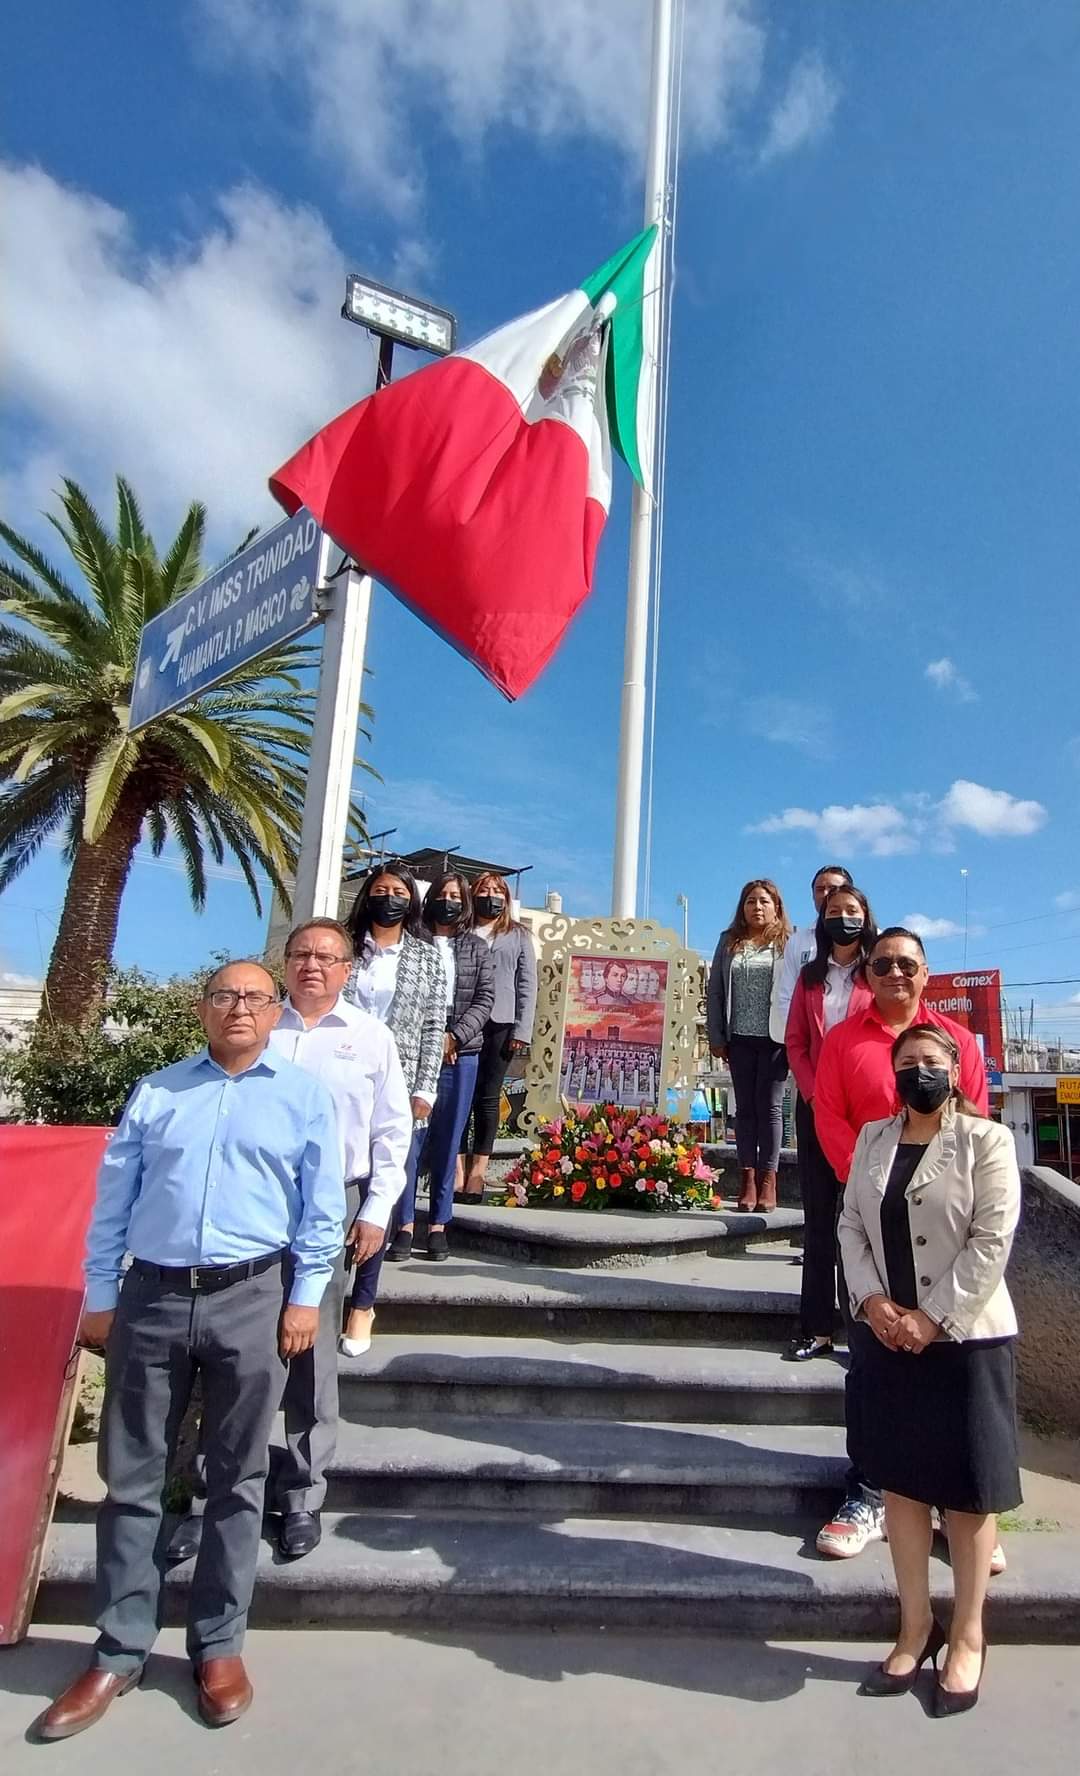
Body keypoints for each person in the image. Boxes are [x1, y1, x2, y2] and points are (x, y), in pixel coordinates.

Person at [36, 962, 344, 1741]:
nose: (237, 1009)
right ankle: (117, 1648)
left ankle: (217, 1646)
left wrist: (306, 1299)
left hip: (255, 1297)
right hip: (153, 1296)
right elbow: (115, 1197)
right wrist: (101, 1296)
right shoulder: (158, 1090)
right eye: (223, 996)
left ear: (276, 1013)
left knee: (239, 1479)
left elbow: (320, 1208)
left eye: (254, 998)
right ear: (202, 1009)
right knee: (133, 1476)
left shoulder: (304, 1096)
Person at [838, 1023, 1021, 1712]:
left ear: (955, 1070)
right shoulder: (872, 1140)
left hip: (965, 1340)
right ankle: (917, 1625)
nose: (920, 1071)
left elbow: (992, 1237)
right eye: (908, 1062)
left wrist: (933, 1317)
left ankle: (969, 1635)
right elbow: (850, 1226)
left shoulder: (987, 1141)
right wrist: (873, 1301)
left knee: (970, 1495)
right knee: (905, 1490)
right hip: (888, 1337)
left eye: (932, 1062)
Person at [811, 926, 990, 1562]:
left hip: (943, 1224)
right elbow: (828, 1113)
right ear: (869, 973)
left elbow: (975, 1122)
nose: (894, 974)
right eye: (882, 964)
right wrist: (863, 1179)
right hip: (870, 1216)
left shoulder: (958, 1041)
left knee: (945, 1368)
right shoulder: (842, 1040)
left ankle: (955, 1505)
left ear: (924, 970)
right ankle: (869, 1491)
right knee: (873, 1364)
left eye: (906, 964)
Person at [783, 883, 877, 1363]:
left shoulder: (880, 970)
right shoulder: (810, 977)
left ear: (866, 915)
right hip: (817, 1106)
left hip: (868, 1112)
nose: (843, 916)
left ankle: (867, 1329)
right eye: (834, 910)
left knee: (867, 1221)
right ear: (822, 918)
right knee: (820, 1219)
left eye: (852, 909)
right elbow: (796, 1040)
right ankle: (816, 1327)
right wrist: (810, 1088)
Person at [343, 860, 446, 1276]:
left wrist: (426, 1088)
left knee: (383, 1186)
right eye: (382, 891)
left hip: (399, 1085)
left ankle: (364, 1299)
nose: (390, 900)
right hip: (344, 1077)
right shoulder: (346, 948)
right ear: (368, 895)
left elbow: (434, 1025)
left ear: (412, 901)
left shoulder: (426, 957)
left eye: (400, 894)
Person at [393, 871, 494, 1258]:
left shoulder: (475, 947)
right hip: (415, 1052)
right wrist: (432, 1041)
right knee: (409, 1137)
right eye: (443, 894)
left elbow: (485, 998)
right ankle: (403, 1222)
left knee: (451, 1136)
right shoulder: (411, 943)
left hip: (461, 1052)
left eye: (456, 895)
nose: (449, 901)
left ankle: (438, 1222)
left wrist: (454, 1037)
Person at [707, 879, 793, 1212]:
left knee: (770, 1109)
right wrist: (717, 1037)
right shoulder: (729, 942)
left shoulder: (788, 943)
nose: (757, 907)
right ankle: (747, 1182)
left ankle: (769, 1181)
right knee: (744, 1111)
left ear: (777, 907)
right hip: (738, 1038)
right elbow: (715, 990)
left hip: (775, 1039)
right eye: (750, 902)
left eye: (764, 901)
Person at [457, 871, 537, 1203]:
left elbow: (527, 984)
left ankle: (477, 1174)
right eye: (484, 890)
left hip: (501, 1022)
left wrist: (522, 1029)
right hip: (463, 1020)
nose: (491, 895)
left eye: (497, 891)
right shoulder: (461, 930)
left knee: (488, 1099)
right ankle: (456, 1173)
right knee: (459, 1096)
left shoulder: (517, 935)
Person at [770, 865, 854, 1043]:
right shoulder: (798, 941)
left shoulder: (875, 938)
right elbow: (787, 996)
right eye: (820, 889)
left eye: (832, 888)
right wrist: (801, 1037)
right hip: (812, 1044)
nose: (825, 894)